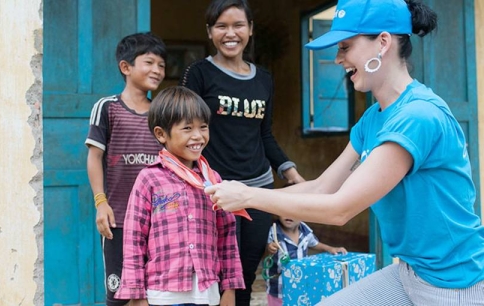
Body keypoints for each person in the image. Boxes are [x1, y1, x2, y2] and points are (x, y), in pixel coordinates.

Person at [205, 0, 484, 304]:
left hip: (454, 284)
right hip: (410, 272)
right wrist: (234, 193)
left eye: (345, 47)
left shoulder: (417, 116)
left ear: (383, 42)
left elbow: (340, 209)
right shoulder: (373, 118)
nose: (338, 59)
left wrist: (248, 198)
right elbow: (322, 187)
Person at [179, 1, 305, 304]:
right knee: (216, 275)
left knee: (246, 274)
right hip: (215, 190)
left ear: (250, 30)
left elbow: (265, 134)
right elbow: (184, 129)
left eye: (238, 25)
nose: (230, 33)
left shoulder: (263, 79)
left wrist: (291, 173)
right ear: (210, 32)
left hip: (258, 188)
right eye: (221, 26)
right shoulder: (198, 73)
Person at [115, 86, 245, 306]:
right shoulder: (149, 179)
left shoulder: (213, 180)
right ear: (161, 134)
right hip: (162, 293)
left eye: (203, 127)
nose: (198, 136)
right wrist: (137, 295)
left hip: (207, 293)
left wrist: (230, 289)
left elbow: (227, 235)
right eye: (187, 128)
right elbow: (133, 238)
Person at [85, 32, 166, 306]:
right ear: (126, 67)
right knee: (119, 296)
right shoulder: (107, 108)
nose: (157, 70)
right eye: (150, 62)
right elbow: (95, 157)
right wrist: (101, 203)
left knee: (152, 294)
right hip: (117, 219)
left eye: (162, 65)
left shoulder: (162, 114)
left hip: (157, 220)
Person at [264, 217, 347, 306]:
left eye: (294, 212)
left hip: (301, 283)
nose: (288, 215)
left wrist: (330, 248)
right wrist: (269, 248)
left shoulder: (304, 230)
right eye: (284, 210)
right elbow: (264, 251)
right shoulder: (273, 231)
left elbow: (314, 243)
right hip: (279, 287)